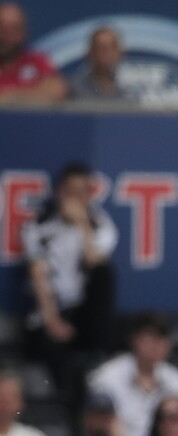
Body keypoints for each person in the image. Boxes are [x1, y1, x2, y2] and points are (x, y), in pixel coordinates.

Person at [22, 161, 118, 411]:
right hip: (51, 313)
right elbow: (37, 273)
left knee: (105, 274)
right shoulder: (39, 226)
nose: (75, 198)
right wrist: (52, 320)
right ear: (60, 192)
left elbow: (93, 260)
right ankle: (67, 411)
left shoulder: (101, 225)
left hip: (84, 314)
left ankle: (99, 355)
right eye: (71, 191)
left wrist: (82, 224)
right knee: (57, 354)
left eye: (82, 192)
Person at [88, 312, 178, 436]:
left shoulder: (177, 381)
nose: (156, 345)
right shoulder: (107, 377)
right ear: (134, 340)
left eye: (161, 339)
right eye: (150, 339)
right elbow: (95, 423)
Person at [0, 2, 67, 103]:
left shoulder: (36, 62)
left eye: (13, 30)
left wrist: (9, 97)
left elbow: (57, 90)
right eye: (2, 29)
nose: (5, 37)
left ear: (23, 32)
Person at [69, 26, 135, 102]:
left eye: (112, 47)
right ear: (90, 52)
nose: (106, 53)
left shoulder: (129, 91)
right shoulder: (72, 90)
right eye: (101, 48)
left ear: (120, 52)